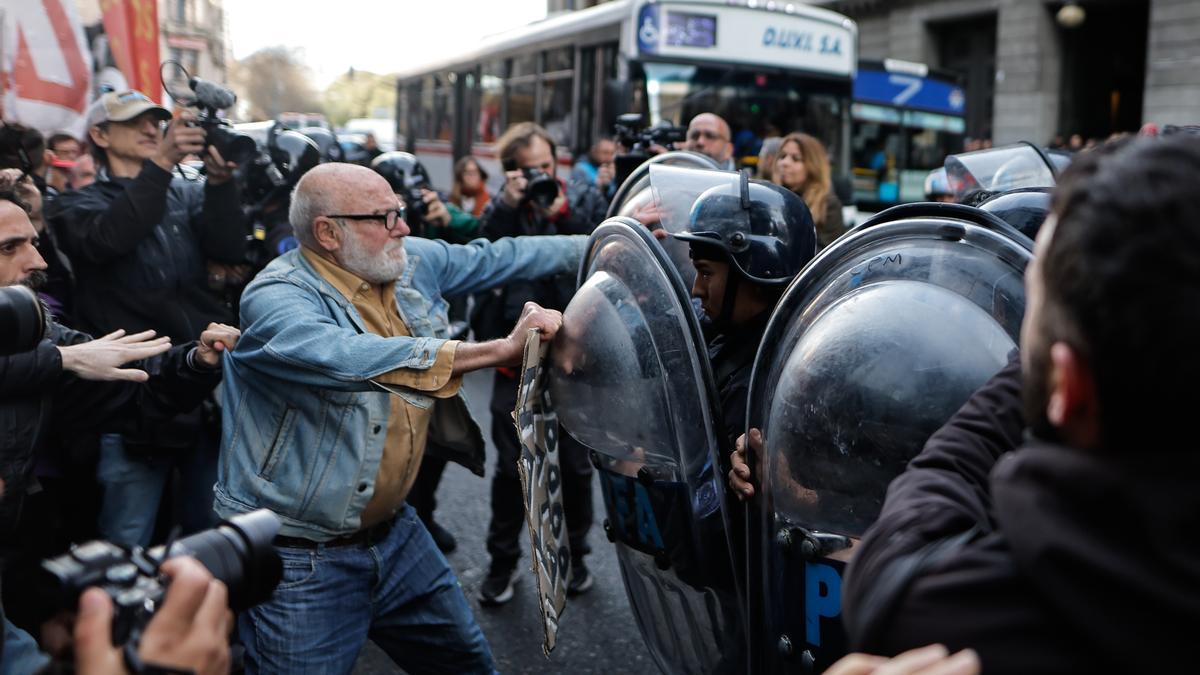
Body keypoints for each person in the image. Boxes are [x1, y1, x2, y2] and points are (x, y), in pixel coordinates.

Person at [735, 137, 1200, 671]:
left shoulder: (995, 617)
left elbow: (896, 575)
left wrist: (1037, 363)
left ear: (1067, 390)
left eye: (1028, 307)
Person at [215, 162, 588, 674]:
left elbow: (501, 255)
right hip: (301, 558)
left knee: (468, 666)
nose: (404, 228)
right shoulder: (276, 296)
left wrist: (613, 241)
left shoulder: (406, 261)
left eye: (402, 212)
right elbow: (347, 355)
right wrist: (500, 348)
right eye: (386, 217)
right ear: (328, 232)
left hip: (397, 536)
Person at [0, 190, 239, 673]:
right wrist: (59, 360)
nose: (37, 260)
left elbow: (130, 395)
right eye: (10, 248)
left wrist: (195, 361)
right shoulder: (48, 348)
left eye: (34, 242)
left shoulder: (34, 329)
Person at [46, 89, 248, 548]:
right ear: (99, 134)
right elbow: (108, 239)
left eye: (155, 121)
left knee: (208, 537)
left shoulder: (182, 195)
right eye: (134, 122)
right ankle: (117, 619)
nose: (150, 129)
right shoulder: (76, 205)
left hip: (198, 384)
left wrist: (219, 185)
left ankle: (195, 618)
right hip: (131, 397)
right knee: (126, 539)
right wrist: (160, 164)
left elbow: (229, 249)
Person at [476, 122, 606, 605]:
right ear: (513, 172)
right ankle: (501, 563)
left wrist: (563, 212)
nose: (542, 177)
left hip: (575, 360)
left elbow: (598, 251)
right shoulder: (504, 207)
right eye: (531, 170)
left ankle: (575, 560)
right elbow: (484, 252)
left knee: (575, 469)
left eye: (548, 167)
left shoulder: (581, 199)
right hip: (519, 360)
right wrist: (509, 204)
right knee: (515, 470)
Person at [672, 174, 816, 444]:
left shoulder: (756, 389)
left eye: (706, 274)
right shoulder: (731, 333)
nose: (697, 289)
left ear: (755, 277)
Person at [773, 132, 846, 250]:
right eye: (782, 156)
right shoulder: (770, 197)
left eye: (796, 159)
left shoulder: (828, 206)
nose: (785, 163)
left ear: (813, 166)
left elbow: (825, 256)